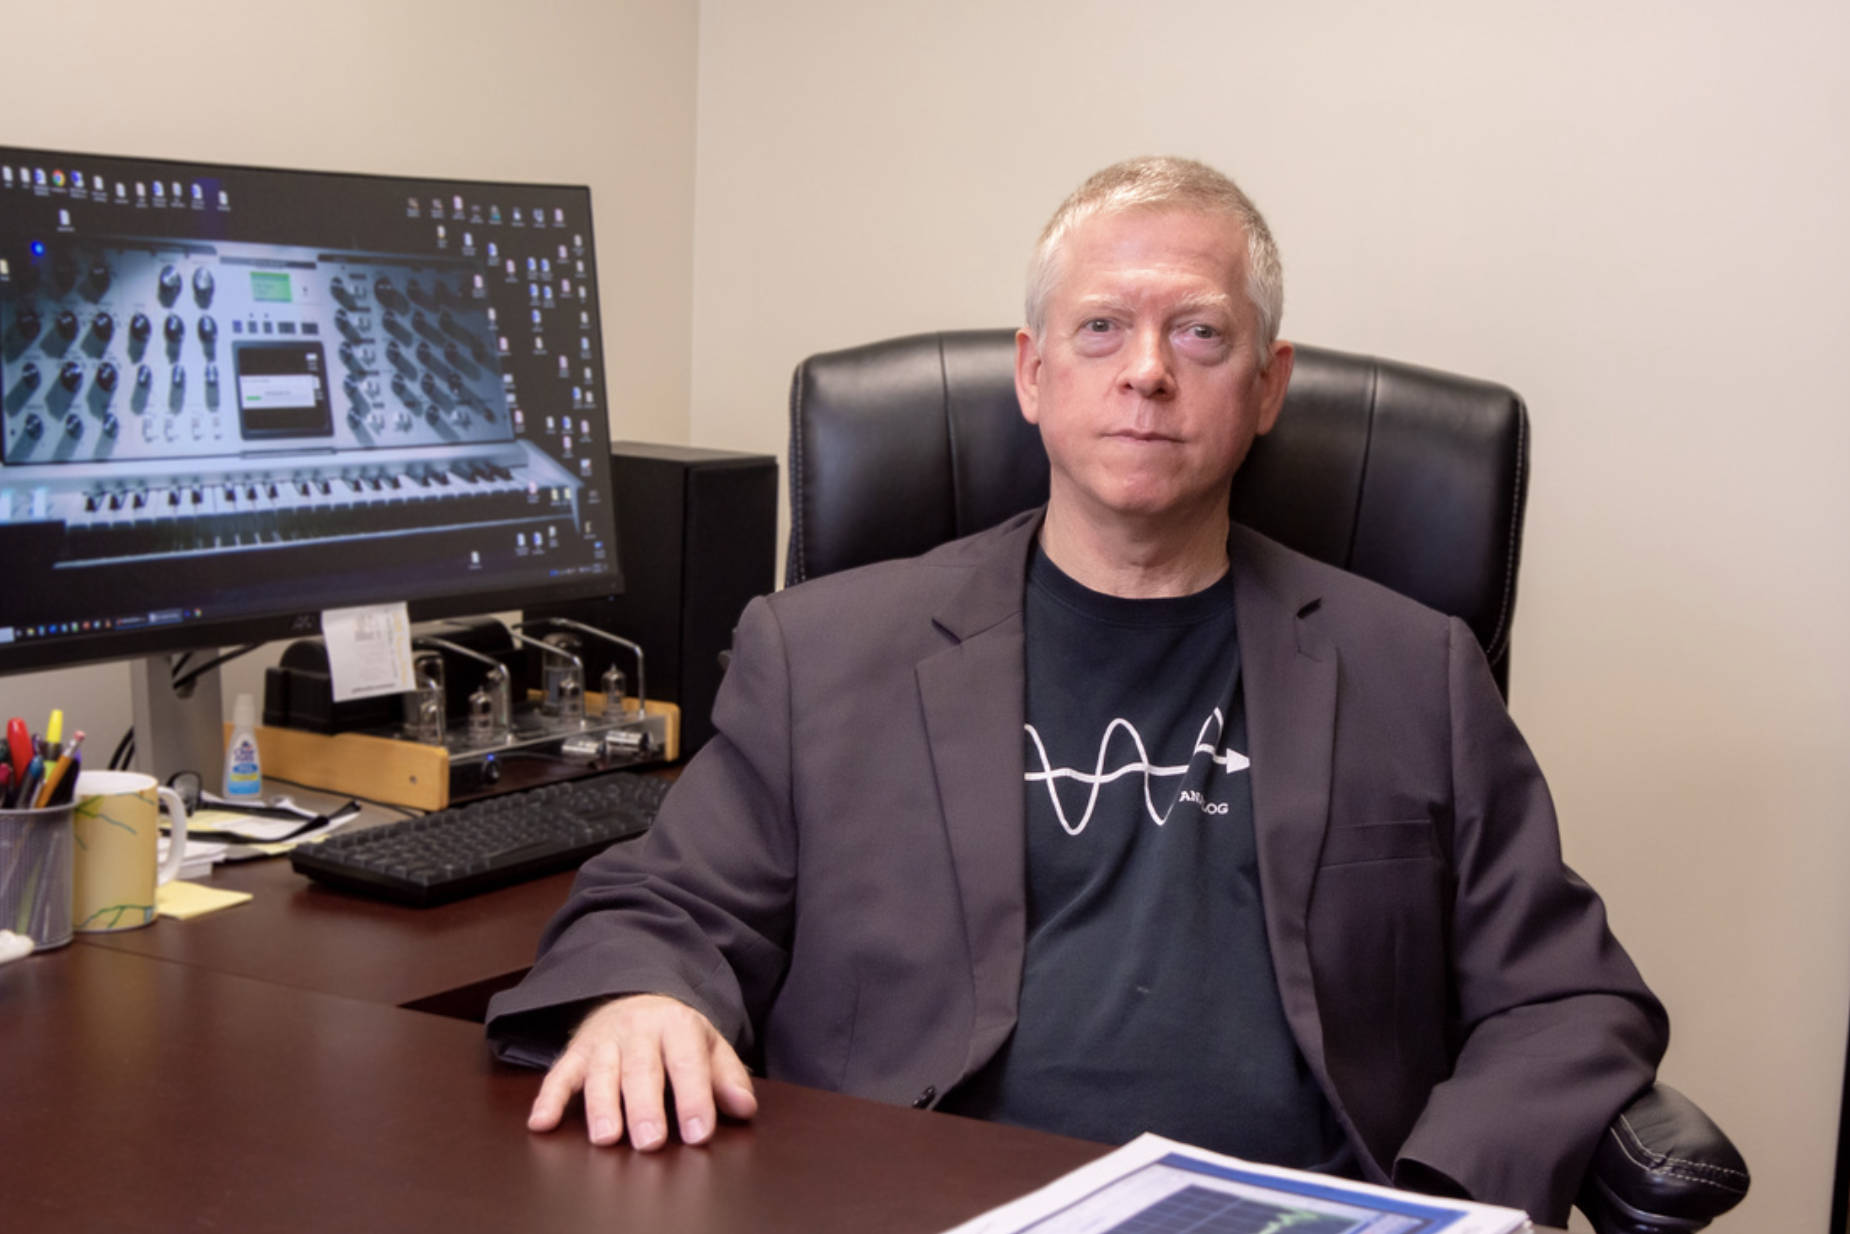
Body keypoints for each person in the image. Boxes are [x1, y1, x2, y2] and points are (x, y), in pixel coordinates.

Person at [485, 156, 1667, 1226]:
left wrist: (1440, 1203)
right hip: (915, 1198)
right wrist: (642, 996)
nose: (1145, 372)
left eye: (1199, 334)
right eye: (1100, 327)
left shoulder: (1413, 670)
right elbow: (664, 906)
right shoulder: (822, 652)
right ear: (1031, 372)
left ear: (1268, 385)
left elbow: (1564, 997)